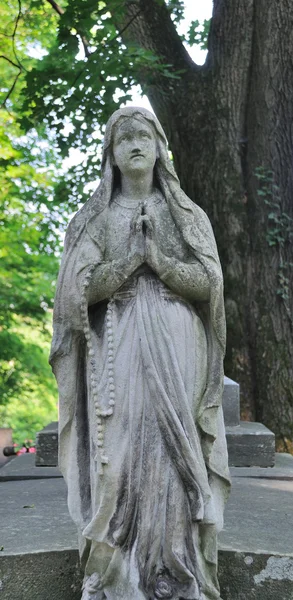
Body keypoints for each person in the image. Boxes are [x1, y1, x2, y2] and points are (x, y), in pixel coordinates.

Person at [50, 106, 230, 600]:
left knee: (176, 458)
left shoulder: (186, 216)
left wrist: (162, 262)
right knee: (120, 456)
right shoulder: (96, 219)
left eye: (143, 135)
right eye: (123, 137)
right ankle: (116, 572)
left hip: (179, 344)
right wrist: (131, 261)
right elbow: (75, 292)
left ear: (159, 147)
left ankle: (178, 569)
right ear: (109, 153)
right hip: (119, 343)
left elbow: (209, 286)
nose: (134, 143)